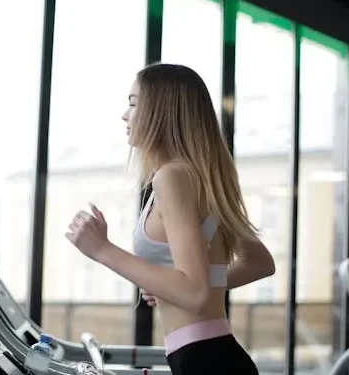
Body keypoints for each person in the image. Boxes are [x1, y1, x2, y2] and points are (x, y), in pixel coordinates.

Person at [65, 63, 275, 375]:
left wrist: (102, 250)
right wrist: (169, 287)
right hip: (212, 355)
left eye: (134, 103)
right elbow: (258, 263)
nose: (125, 115)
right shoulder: (200, 176)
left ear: (161, 111)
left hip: (204, 360)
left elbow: (196, 292)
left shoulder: (173, 177)